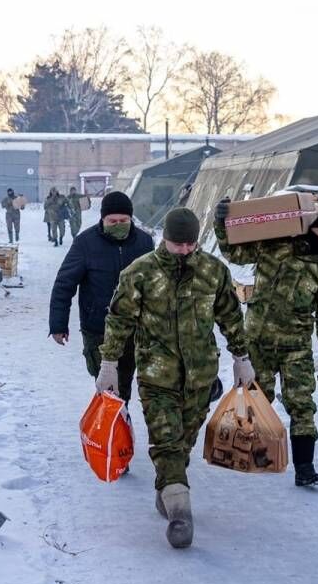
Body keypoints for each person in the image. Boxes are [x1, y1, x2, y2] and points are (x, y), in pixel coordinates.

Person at [97, 207, 255, 549]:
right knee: (166, 441)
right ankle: (181, 513)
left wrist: (241, 357)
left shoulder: (213, 271)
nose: (184, 250)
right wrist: (108, 363)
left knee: (182, 443)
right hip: (157, 375)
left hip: (201, 375)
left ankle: (167, 488)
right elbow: (119, 320)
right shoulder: (139, 273)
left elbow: (230, 316)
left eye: (190, 244)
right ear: (164, 239)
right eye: (176, 243)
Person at [213, 197, 318, 487]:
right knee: (257, 400)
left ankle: (305, 468)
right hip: (257, 342)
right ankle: (245, 453)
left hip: (296, 347)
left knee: (302, 405)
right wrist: (220, 222)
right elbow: (234, 253)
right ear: (311, 228)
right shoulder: (276, 245)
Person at [49, 191, 154, 402]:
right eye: (112, 221)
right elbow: (64, 284)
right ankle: (113, 430)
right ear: (102, 219)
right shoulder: (85, 243)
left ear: (131, 219)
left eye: (123, 220)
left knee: (124, 383)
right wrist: (58, 325)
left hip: (135, 329)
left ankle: (118, 428)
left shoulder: (144, 242)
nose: (118, 224)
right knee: (108, 388)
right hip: (98, 329)